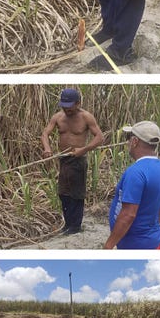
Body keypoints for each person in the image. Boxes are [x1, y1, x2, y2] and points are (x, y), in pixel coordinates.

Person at [41, 88, 105, 234]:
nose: (66, 109)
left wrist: (84, 149)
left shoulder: (86, 117)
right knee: (63, 192)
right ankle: (68, 224)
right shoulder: (58, 117)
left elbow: (99, 137)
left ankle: (75, 226)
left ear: (77, 103)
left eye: (69, 106)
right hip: (64, 159)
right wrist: (47, 148)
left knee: (76, 193)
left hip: (78, 160)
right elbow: (45, 133)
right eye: (64, 105)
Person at [105, 120, 160, 249]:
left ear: (135, 142)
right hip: (155, 241)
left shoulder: (135, 172)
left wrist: (108, 246)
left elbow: (128, 214)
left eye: (129, 138)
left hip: (135, 245)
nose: (128, 142)